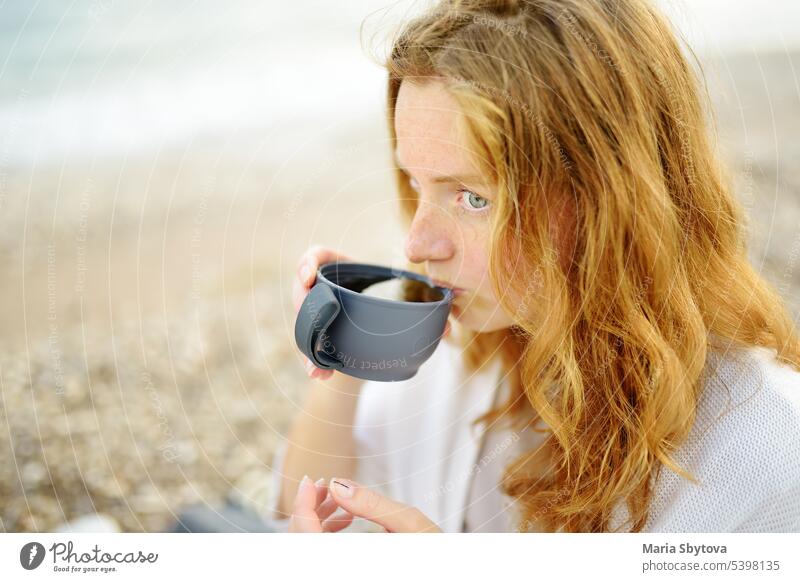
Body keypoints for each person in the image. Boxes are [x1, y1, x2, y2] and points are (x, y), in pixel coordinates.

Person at [272, 0, 800, 533]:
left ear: (608, 202)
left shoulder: (771, 458)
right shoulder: (469, 338)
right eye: (416, 184)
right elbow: (297, 502)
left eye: (472, 198)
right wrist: (349, 358)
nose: (416, 245)